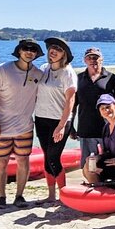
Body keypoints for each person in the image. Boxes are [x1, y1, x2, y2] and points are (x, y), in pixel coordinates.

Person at [0, 38, 44, 208]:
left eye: (33, 49)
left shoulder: (38, 74)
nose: (29, 52)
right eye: (26, 48)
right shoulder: (2, 70)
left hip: (24, 126)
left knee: (23, 160)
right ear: (19, 51)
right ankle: (1, 196)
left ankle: (19, 196)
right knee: (0, 162)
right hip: (0, 127)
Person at [34, 37, 77, 202]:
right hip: (41, 118)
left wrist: (61, 125)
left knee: (53, 157)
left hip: (59, 121)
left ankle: (63, 195)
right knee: (47, 156)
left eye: (58, 49)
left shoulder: (68, 72)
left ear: (64, 54)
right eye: (52, 47)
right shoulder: (44, 68)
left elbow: (70, 101)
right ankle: (51, 196)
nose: (53, 51)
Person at [70, 47, 115, 168]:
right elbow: (73, 104)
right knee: (87, 164)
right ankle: (89, 184)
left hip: (107, 129)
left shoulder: (111, 78)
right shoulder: (78, 78)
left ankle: (108, 185)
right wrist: (70, 126)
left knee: (108, 162)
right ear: (84, 60)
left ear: (101, 59)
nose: (93, 60)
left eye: (96, 57)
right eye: (89, 57)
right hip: (85, 129)